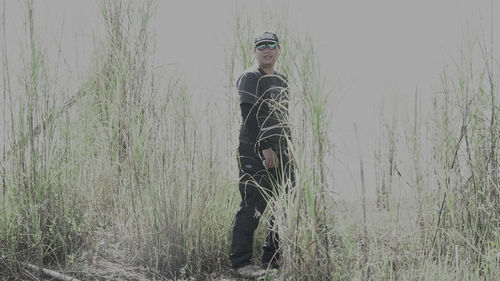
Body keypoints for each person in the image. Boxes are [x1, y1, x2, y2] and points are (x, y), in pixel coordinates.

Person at [230, 31, 294, 278]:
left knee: (284, 201)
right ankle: (241, 263)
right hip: (255, 149)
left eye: (271, 45)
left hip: (281, 150)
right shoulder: (250, 77)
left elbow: (282, 117)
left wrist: (289, 148)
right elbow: (248, 116)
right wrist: (263, 147)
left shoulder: (281, 80)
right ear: (255, 51)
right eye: (261, 46)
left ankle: (272, 259)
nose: (266, 50)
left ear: (279, 49)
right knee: (253, 203)